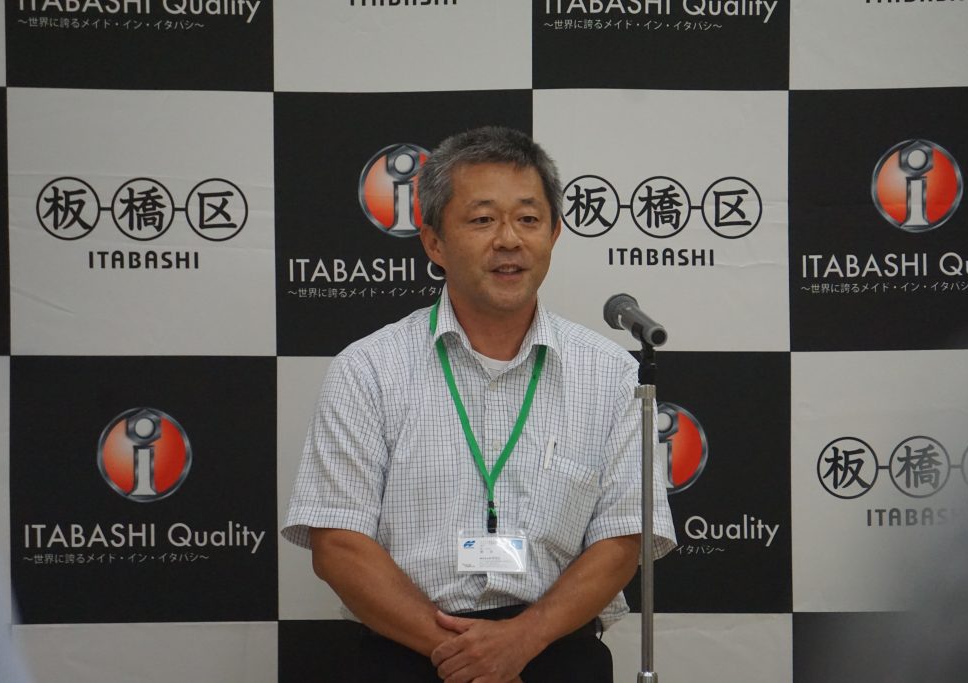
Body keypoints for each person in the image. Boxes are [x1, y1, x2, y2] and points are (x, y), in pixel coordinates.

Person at [282, 126, 676, 683]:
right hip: (410, 653)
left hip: (554, 652)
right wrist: (470, 657)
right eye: (483, 219)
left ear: (554, 234)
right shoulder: (368, 369)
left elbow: (623, 536)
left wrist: (521, 640)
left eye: (528, 219)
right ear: (434, 243)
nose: (509, 240)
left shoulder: (610, 374)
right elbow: (338, 544)